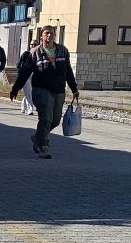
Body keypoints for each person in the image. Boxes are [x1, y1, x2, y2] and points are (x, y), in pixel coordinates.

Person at [9, 25, 79, 159]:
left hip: (59, 90)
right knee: (46, 119)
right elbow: (25, 73)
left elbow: (68, 71)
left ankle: (37, 137)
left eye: (52, 33)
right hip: (42, 90)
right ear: (41, 36)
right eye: (46, 33)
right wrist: (15, 89)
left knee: (55, 120)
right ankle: (43, 147)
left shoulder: (62, 51)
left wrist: (74, 88)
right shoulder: (34, 53)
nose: (49, 36)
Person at [17, 39, 38, 116]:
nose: (33, 46)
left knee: (30, 92)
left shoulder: (39, 55)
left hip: (34, 76)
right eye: (32, 44)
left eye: (35, 45)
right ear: (29, 45)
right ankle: (30, 109)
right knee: (29, 93)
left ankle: (23, 106)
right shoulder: (25, 54)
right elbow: (19, 64)